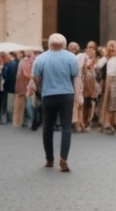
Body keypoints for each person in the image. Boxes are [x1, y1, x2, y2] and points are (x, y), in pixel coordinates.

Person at [32, 33, 80, 172]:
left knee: (47, 127)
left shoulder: (41, 58)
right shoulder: (71, 57)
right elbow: (76, 77)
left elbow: (35, 78)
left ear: (49, 44)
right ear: (64, 44)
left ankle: (49, 159)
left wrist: (40, 89)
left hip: (48, 95)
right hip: (66, 94)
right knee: (66, 127)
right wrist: (77, 95)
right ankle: (63, 158)